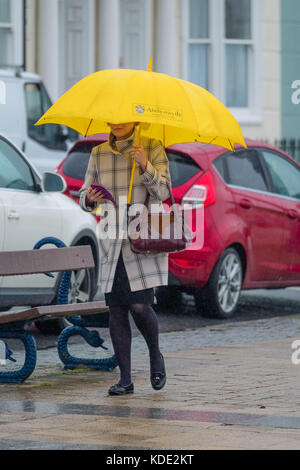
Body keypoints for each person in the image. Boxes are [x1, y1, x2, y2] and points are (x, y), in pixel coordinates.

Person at [79, 122, 171, 396]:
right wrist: (91, 199)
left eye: (122, 116)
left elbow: (164, 192)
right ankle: (125, 380)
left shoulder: (152, 147)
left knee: (140, 306)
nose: (116, 122)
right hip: (111, 239)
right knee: (117, 309)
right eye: (112, 117)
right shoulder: (98, 152)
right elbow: (84, 195)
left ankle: (156, 355)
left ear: (134, 119)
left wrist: (145, 165)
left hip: (140, 239)